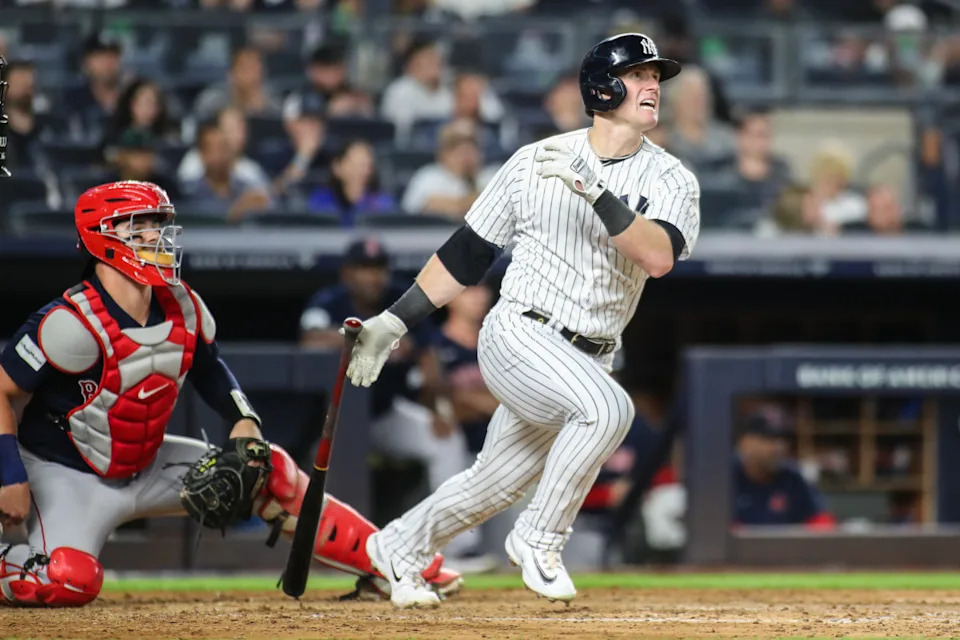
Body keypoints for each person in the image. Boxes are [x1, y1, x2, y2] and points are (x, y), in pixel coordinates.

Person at [343, 32, 700, 608]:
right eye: (639, 75)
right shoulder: (534, 161)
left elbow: (657, 257)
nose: (653, 86)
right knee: (609, 408)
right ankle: (540, 536)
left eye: (657, 77)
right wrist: (395, 318)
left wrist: (594, 192)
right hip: (520, 332)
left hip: (591, 353)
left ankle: (398, 548)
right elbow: (466, 255)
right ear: (603, 87)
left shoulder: (672, 179)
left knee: (492, 483)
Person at [0, 181, 461, 606]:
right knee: (67, 579)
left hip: (146, 462)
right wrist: (9, 475)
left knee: (267, 467)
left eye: (159, 225)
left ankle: (392, 562)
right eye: (139, 226)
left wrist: (245, 420)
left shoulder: (183, 303)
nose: (156, 237)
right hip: (66, 473)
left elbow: (210, 369)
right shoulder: (68, 321)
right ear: (103, 237)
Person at [299, 239, 472, 513]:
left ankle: (458, 549)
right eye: (364, 269)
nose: (373, 277)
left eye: (378, 268)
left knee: (446, 440)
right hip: (333, 422)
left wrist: (439, 407)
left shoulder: (400, 298)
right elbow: (310, 340)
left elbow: (429, 355)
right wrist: (371, 339)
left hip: (384, 413)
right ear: (347, 274)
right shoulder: (329, 301)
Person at [733, 408, 835, 528]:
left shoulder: (793, 477)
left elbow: (822, 522)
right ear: (745, 442)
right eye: (768, 439)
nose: (779, 447)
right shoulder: (724, 477)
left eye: (783, 440)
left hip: (787, 547)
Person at [401, 119, 497, 220]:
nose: (466, 156)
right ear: (444, 154)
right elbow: (426, 206)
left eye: (471, 149)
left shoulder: (491, 176)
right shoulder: (427, 176)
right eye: (459, 150)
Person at [178, 121, 273, 222]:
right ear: (202, 155)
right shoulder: (188, 191)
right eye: (213, 149)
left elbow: (275, 208)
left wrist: (263, 204)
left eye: (224, 148)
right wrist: (238, 209)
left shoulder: (246, 187)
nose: (219, 155)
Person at [305, 139, 396, 223]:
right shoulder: (320, 200)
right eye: (354, 165)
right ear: (337, 167)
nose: (361, 171)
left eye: (366, 165)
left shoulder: (382, 202)